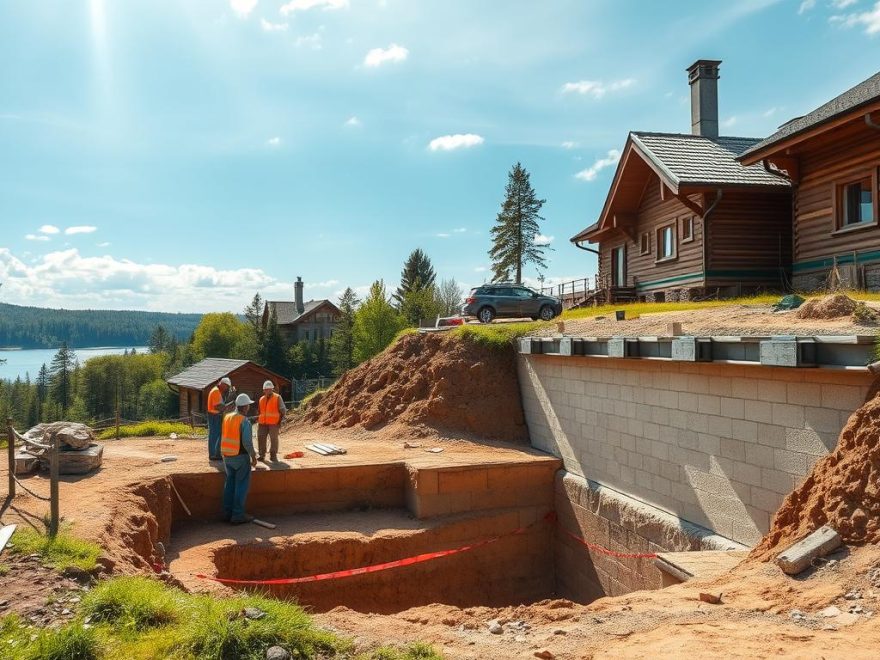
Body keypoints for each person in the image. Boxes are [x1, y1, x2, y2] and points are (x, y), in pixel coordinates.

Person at [220, 393, 258, 524]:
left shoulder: (227, 417)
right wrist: (253, 456)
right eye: (248, 405)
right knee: (241, 486)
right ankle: (237, 515)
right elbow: (247, 442)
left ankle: (227, 513)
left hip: (227, 456)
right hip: (240, 457)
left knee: (229, 484)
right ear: (245, 406)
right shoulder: (244, 421)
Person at [257, 380, 287, 463]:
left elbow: (283, 410)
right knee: (261, 437)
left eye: (269, 389)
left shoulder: (277, 397)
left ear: (272, 389)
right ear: (264, 390)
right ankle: (261, 455)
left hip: (274, 423)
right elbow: (260, 411)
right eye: (266, 389)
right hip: (262, 423)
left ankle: (273, 455)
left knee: (273, 439)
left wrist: (281, 419)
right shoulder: (261, 399)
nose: (268, 391)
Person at [206, 377, 233, 461]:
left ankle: (216, 454)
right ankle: (214, 455)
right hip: (214, 416)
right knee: (214, 435)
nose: (227, 388)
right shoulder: (216, 391)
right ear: (222, 384)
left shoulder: (217, 391)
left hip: (215, 415)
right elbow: (218, 406)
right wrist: (227, 407)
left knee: (217, 435)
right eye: (227, 386)